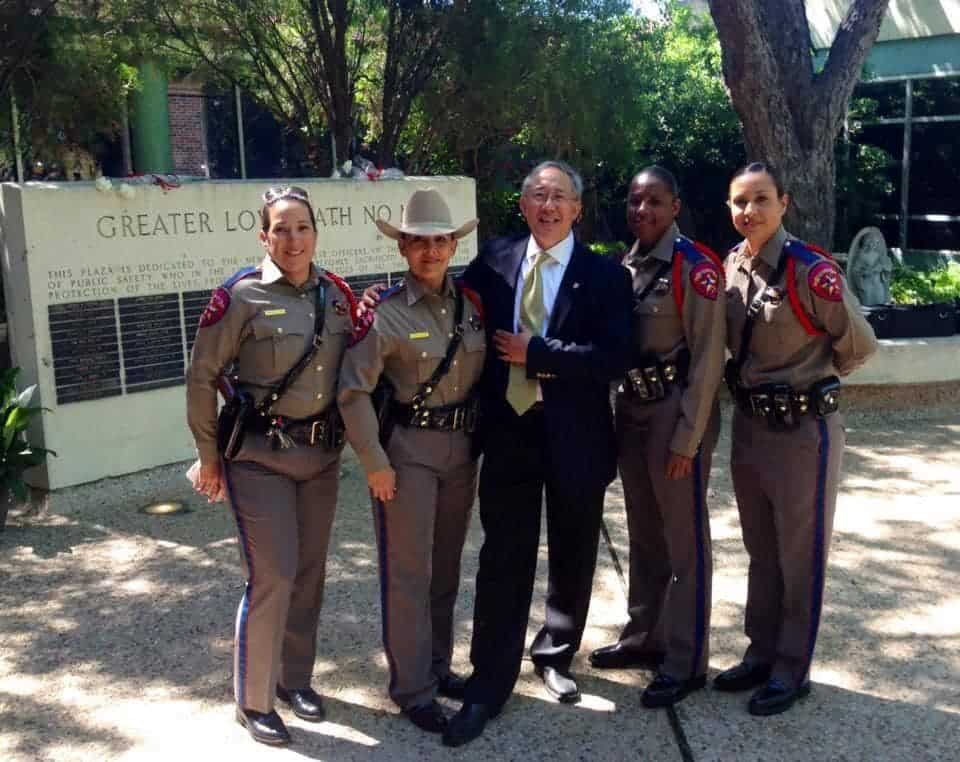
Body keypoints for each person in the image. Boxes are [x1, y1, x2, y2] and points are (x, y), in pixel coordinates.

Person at [442, 160, 634, 747]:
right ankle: (489, 681)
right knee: (503, 556)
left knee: (574, 549)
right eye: (536, 196)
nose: (547, 206)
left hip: (576, 433)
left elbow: (615, 358)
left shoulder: (606, 276)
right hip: (510, 433)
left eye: (559, 197)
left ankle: (555, 652)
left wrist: (540, 352)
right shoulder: (494, 261)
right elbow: (448, 304)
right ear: (522, 206)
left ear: (578, 208)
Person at [186, 185, 357, 747]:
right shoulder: (240, 296)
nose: (292, 238)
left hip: (320, 458)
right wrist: (208, 456)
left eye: (301, 227)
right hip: (259, 460)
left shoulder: (336, 296)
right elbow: (202, 376)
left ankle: (294, 681)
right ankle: (253, 700)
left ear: (315, 232)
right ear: (264, 236)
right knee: (273, 576)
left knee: (309, 575)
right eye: (280, 229)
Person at [715, 162, 877, 716]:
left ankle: (792, 668)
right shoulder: (732, 266)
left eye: (761, 200)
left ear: (783, 202)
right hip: (751, 429)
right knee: (761, 550)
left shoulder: (811, 271)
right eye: (739, 202)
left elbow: (858, 343)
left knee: (799, 553)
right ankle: (760, 652)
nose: (749, 212)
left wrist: (811, 385)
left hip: (804, 431)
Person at [337, 188, 485, 734]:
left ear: (453, 246)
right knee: (408, 573)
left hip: (461, 452)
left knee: (445, 569)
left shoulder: (470, 306)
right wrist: (374, 461)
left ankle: (438, 667)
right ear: (402, 247)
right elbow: (352, 392)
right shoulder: (384, 314)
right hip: (407, 455)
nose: (431, 251)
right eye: (419, 242)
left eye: (440, 241)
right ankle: (411, 688)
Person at [588, 166, 725, 708]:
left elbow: (710, 359)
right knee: (645, 535)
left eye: (655, 202)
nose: (641, 210)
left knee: (684, 543)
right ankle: (646, 636)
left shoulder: (696, 268)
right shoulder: (628, 264)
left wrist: (688, 439)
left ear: (676, 206)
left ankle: (687, 660)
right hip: (635, 409)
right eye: (634, 200)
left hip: (674, 414)